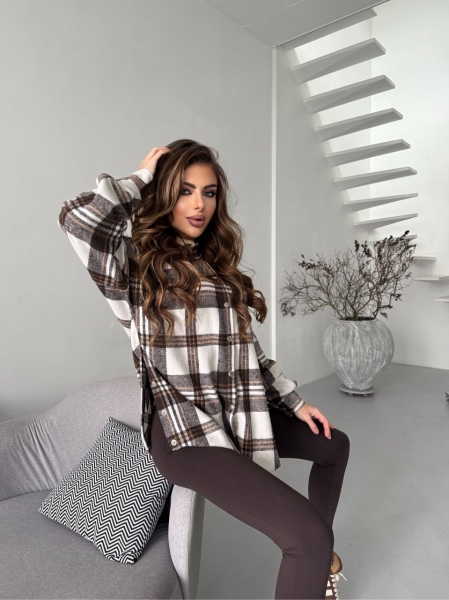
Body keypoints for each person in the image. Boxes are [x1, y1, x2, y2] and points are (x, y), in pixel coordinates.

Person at [58, 141, 350, 599]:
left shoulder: (216, 267)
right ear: (163, 194)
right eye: (184, 190)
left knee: (334, 445)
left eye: (208, 192)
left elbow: (249, 353)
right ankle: (315, 551)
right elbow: (79, 222)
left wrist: (296, 403)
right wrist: (142, 177)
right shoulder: (133, 268)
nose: (199, 204)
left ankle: (316, 560)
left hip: (233, 413)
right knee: (307, 536)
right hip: (185, 433)